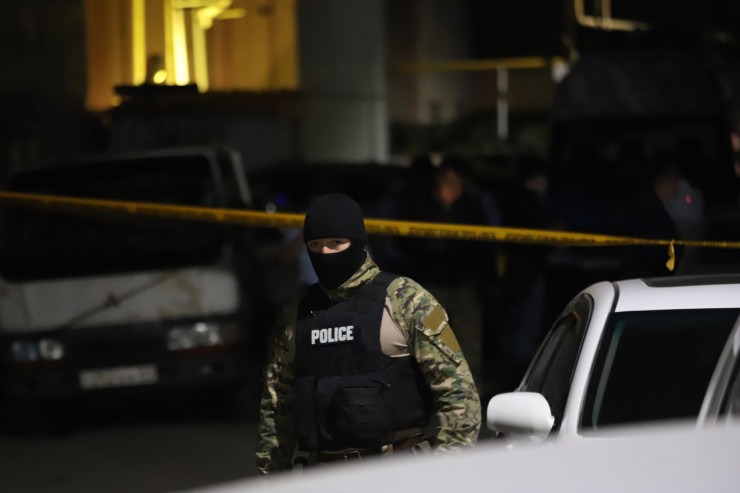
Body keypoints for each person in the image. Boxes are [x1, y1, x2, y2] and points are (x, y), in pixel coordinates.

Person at [256, 193, 481, 474]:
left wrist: (446, 472)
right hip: (324, 474)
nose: (325, 253)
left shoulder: (405, 300)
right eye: (315, 245)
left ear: (357, 242)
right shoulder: (295, 314)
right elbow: (276, 409)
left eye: (336, 243)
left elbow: (459, 395)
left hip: (399, 471)